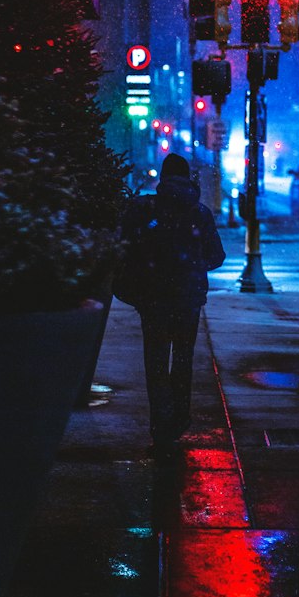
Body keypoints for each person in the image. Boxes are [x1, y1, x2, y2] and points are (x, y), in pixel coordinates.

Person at [115, 153, 226, 447]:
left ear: (163, 178)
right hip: (187, 299)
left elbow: (124, 248)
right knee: (182, 358)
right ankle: (179, 415)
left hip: (153, 297)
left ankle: (160, 421)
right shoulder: (199, 213)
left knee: (155, 359)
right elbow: (216, 256)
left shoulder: (143, 209)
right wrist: (191, 264)